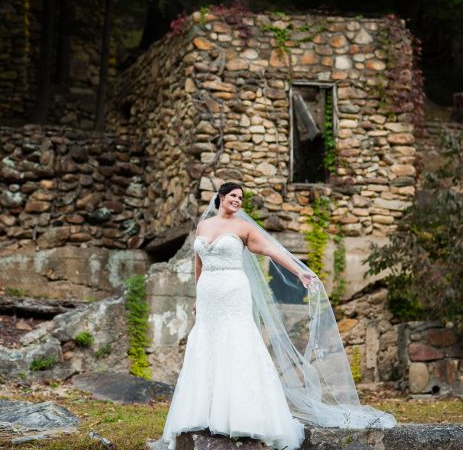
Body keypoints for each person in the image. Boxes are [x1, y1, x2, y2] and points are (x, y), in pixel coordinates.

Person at [161, 182, 395, 450]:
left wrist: (299, 271)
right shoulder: (203, 227)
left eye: (241, 197)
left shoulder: (243, 228)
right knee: (205, 345)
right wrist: (197, 297)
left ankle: (241, 414)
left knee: (236, 343)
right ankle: (203, 411)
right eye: (233, 196)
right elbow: (198, 263)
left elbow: (274, 250)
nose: (238, 200)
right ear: (221, 198)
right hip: (209, 295)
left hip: (233, 291)